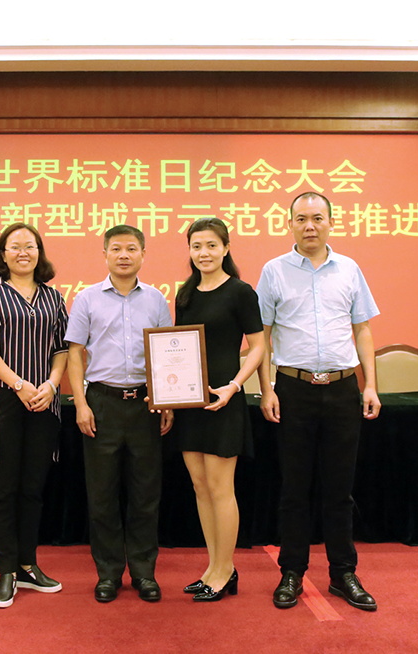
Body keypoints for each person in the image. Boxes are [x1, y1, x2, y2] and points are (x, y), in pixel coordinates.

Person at [256, 191, 381, 612]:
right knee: (294, 488)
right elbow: (262, 337)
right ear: (289, 223)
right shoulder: (273, 271)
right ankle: (291, 572)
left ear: (331, 221)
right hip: (293, 390)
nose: (309, 226)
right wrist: (267, 388)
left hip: (343, 389)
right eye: (301, 219)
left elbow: (362, 329)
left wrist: (370, 385)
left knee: (339, 489)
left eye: (317, 218)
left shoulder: (349, 269)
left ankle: (343, 573)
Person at [65, 224, 173, 603]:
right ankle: (108, 573)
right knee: (102, 494)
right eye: (116, 249)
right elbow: (75, 353)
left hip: (146, 404)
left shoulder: (156, 300)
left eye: (131, 248)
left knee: (146, 494)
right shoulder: (87, 299)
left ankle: (144, 573)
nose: (123, 255)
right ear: (105, 254)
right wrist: (81, 403)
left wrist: (166, 401)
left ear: (143, 254)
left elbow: (167, 351)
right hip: (102, 403)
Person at [0, 222, 69, 609]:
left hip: (43, 401)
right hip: (1, 403)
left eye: (30, 246)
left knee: (32, 489)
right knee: (3, 491)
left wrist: (52, 384)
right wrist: (18, 384)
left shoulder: (53, 297)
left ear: (39, 253)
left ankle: (28, 565)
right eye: (15, 246)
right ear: (3, 254)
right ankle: (6, 570)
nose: (23, 252)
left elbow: (62, 348)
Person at [172, 218, 265, 602]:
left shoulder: (241, 292)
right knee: (200, 486)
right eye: (196, 246)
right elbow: (176, 349)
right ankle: (213, 567)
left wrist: (235, 385)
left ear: (225, 248)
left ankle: (225, 570)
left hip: (223, 400)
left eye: (211, 245)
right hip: (190, 402)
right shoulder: (185, 293)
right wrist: (167, 393)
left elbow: (258, 347)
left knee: (221, 488)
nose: (204, 253)